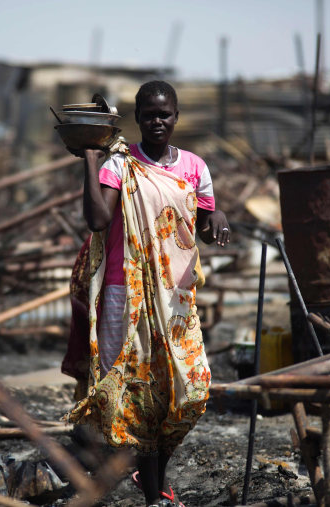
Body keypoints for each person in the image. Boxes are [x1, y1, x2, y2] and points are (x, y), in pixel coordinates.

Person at [65, 80, 230, 507]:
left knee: (191, 389)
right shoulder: (120, 165)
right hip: (128, 292)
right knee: (140, 394)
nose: (157, 121)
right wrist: (90, 160)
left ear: (176, 117)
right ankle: (155, 494)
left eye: (165, 114)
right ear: (137, 118)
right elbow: (98, 220)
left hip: (176, 295)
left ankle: (150, 473)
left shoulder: (195, 166)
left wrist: (218, 221)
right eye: (149, 114)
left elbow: (208, 216)